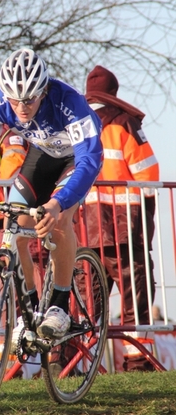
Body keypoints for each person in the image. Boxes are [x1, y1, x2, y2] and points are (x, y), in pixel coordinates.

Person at [0, 48, 103, 340]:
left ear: (43, 90)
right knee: (14, 224)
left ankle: (60, 307)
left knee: (60, 220)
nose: (21, 107)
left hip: (77, 160)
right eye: (15, 100)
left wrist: (57, 203)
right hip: (43, 154)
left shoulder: (69, 102)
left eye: (29, 100)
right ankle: (31, 311)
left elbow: (89, 162)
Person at [82, 65, 159, 371]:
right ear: (113, 93)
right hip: (124, 230)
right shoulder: (124, 123)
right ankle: (138, 361)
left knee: (85, 305)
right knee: (134, 300)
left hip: (83, 232)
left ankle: (73, 363)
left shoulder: (72, 125)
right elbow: (149, 175)